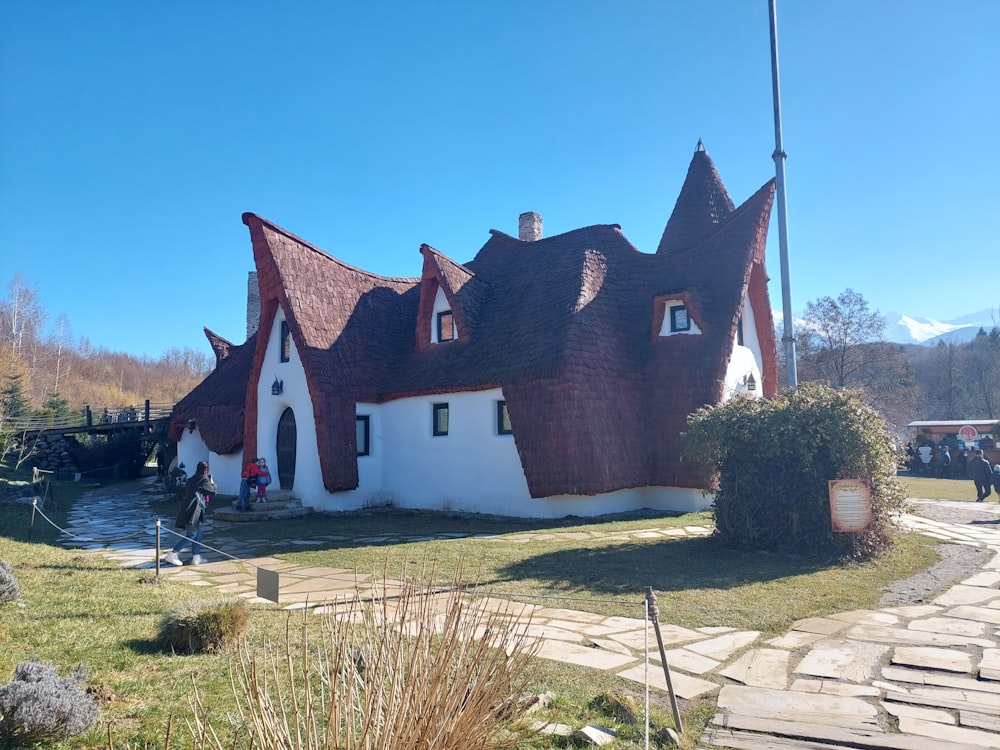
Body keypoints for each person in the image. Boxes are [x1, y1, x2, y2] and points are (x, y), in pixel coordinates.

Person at [163, 460, 217, 566]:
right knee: (191, 535)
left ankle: (196, 557)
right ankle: (172, 554)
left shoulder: (191, 479)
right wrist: (212, 483)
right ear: (206, 470)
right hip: (193, 511)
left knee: (198, 535)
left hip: (188, 509)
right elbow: (213, 492)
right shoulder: (204, 479)